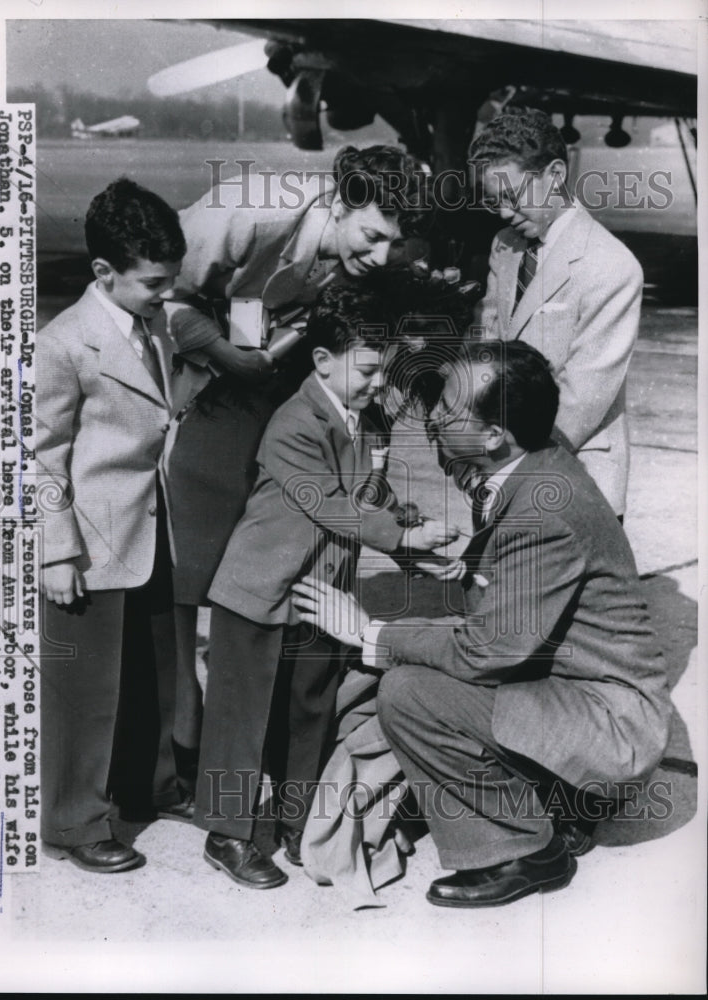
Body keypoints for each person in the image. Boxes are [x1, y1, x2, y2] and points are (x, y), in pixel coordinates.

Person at [293, 339, 672, 908]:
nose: (434, 419)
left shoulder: (543, 510)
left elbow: (487, 649)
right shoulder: (530, 456)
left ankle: (525, 848)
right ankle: (559, 793)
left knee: (409, 693)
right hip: (571, 688)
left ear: (495, 436)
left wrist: (367, 633)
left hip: (609, 727)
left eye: (447, 410)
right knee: (420, 641)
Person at [166, 145, 437, 800]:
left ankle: (263, 751)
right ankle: (172, 758)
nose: (378, 255)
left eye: (391, 243)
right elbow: (158, 293)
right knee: (186, 583)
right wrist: (225, 358)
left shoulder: (361, 252)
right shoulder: (249, 210)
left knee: (273, 567)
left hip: (271, 389)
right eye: (370, 235)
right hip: (204, 392)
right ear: (339, 203)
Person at [195, 284, 458, 890]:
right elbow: (329, 505)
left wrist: (416, 523)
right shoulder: (293, 422)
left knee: (309, 709)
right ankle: (226, 833)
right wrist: (402, 539)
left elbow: (369, 495)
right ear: (322, 362)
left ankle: (297, 823)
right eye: (366, 370)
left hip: (321, 594)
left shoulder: (362, 420)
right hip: (258, 592)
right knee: (243, 720)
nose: (375, 383)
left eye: (380, 371)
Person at [36, 178, 195, 873]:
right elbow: (40, 459)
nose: (166, 294)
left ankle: (150, 786)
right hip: (89, 542)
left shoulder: (149, 323)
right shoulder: (64, 343)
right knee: (86, 690)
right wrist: (55, 552)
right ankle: (74, 820)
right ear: (104, 273)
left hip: (150, 529)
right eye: (154, 282)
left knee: (156, 675)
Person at [470, 107, 644, 518]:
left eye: (512, 197)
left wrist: (508, 466)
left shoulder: (611, 265)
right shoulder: (506, 245)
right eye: (494, 200)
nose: (503, 213)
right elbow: (490, 344)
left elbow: (583, 396)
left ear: (555, 175)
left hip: (572, 472)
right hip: (500, 464)